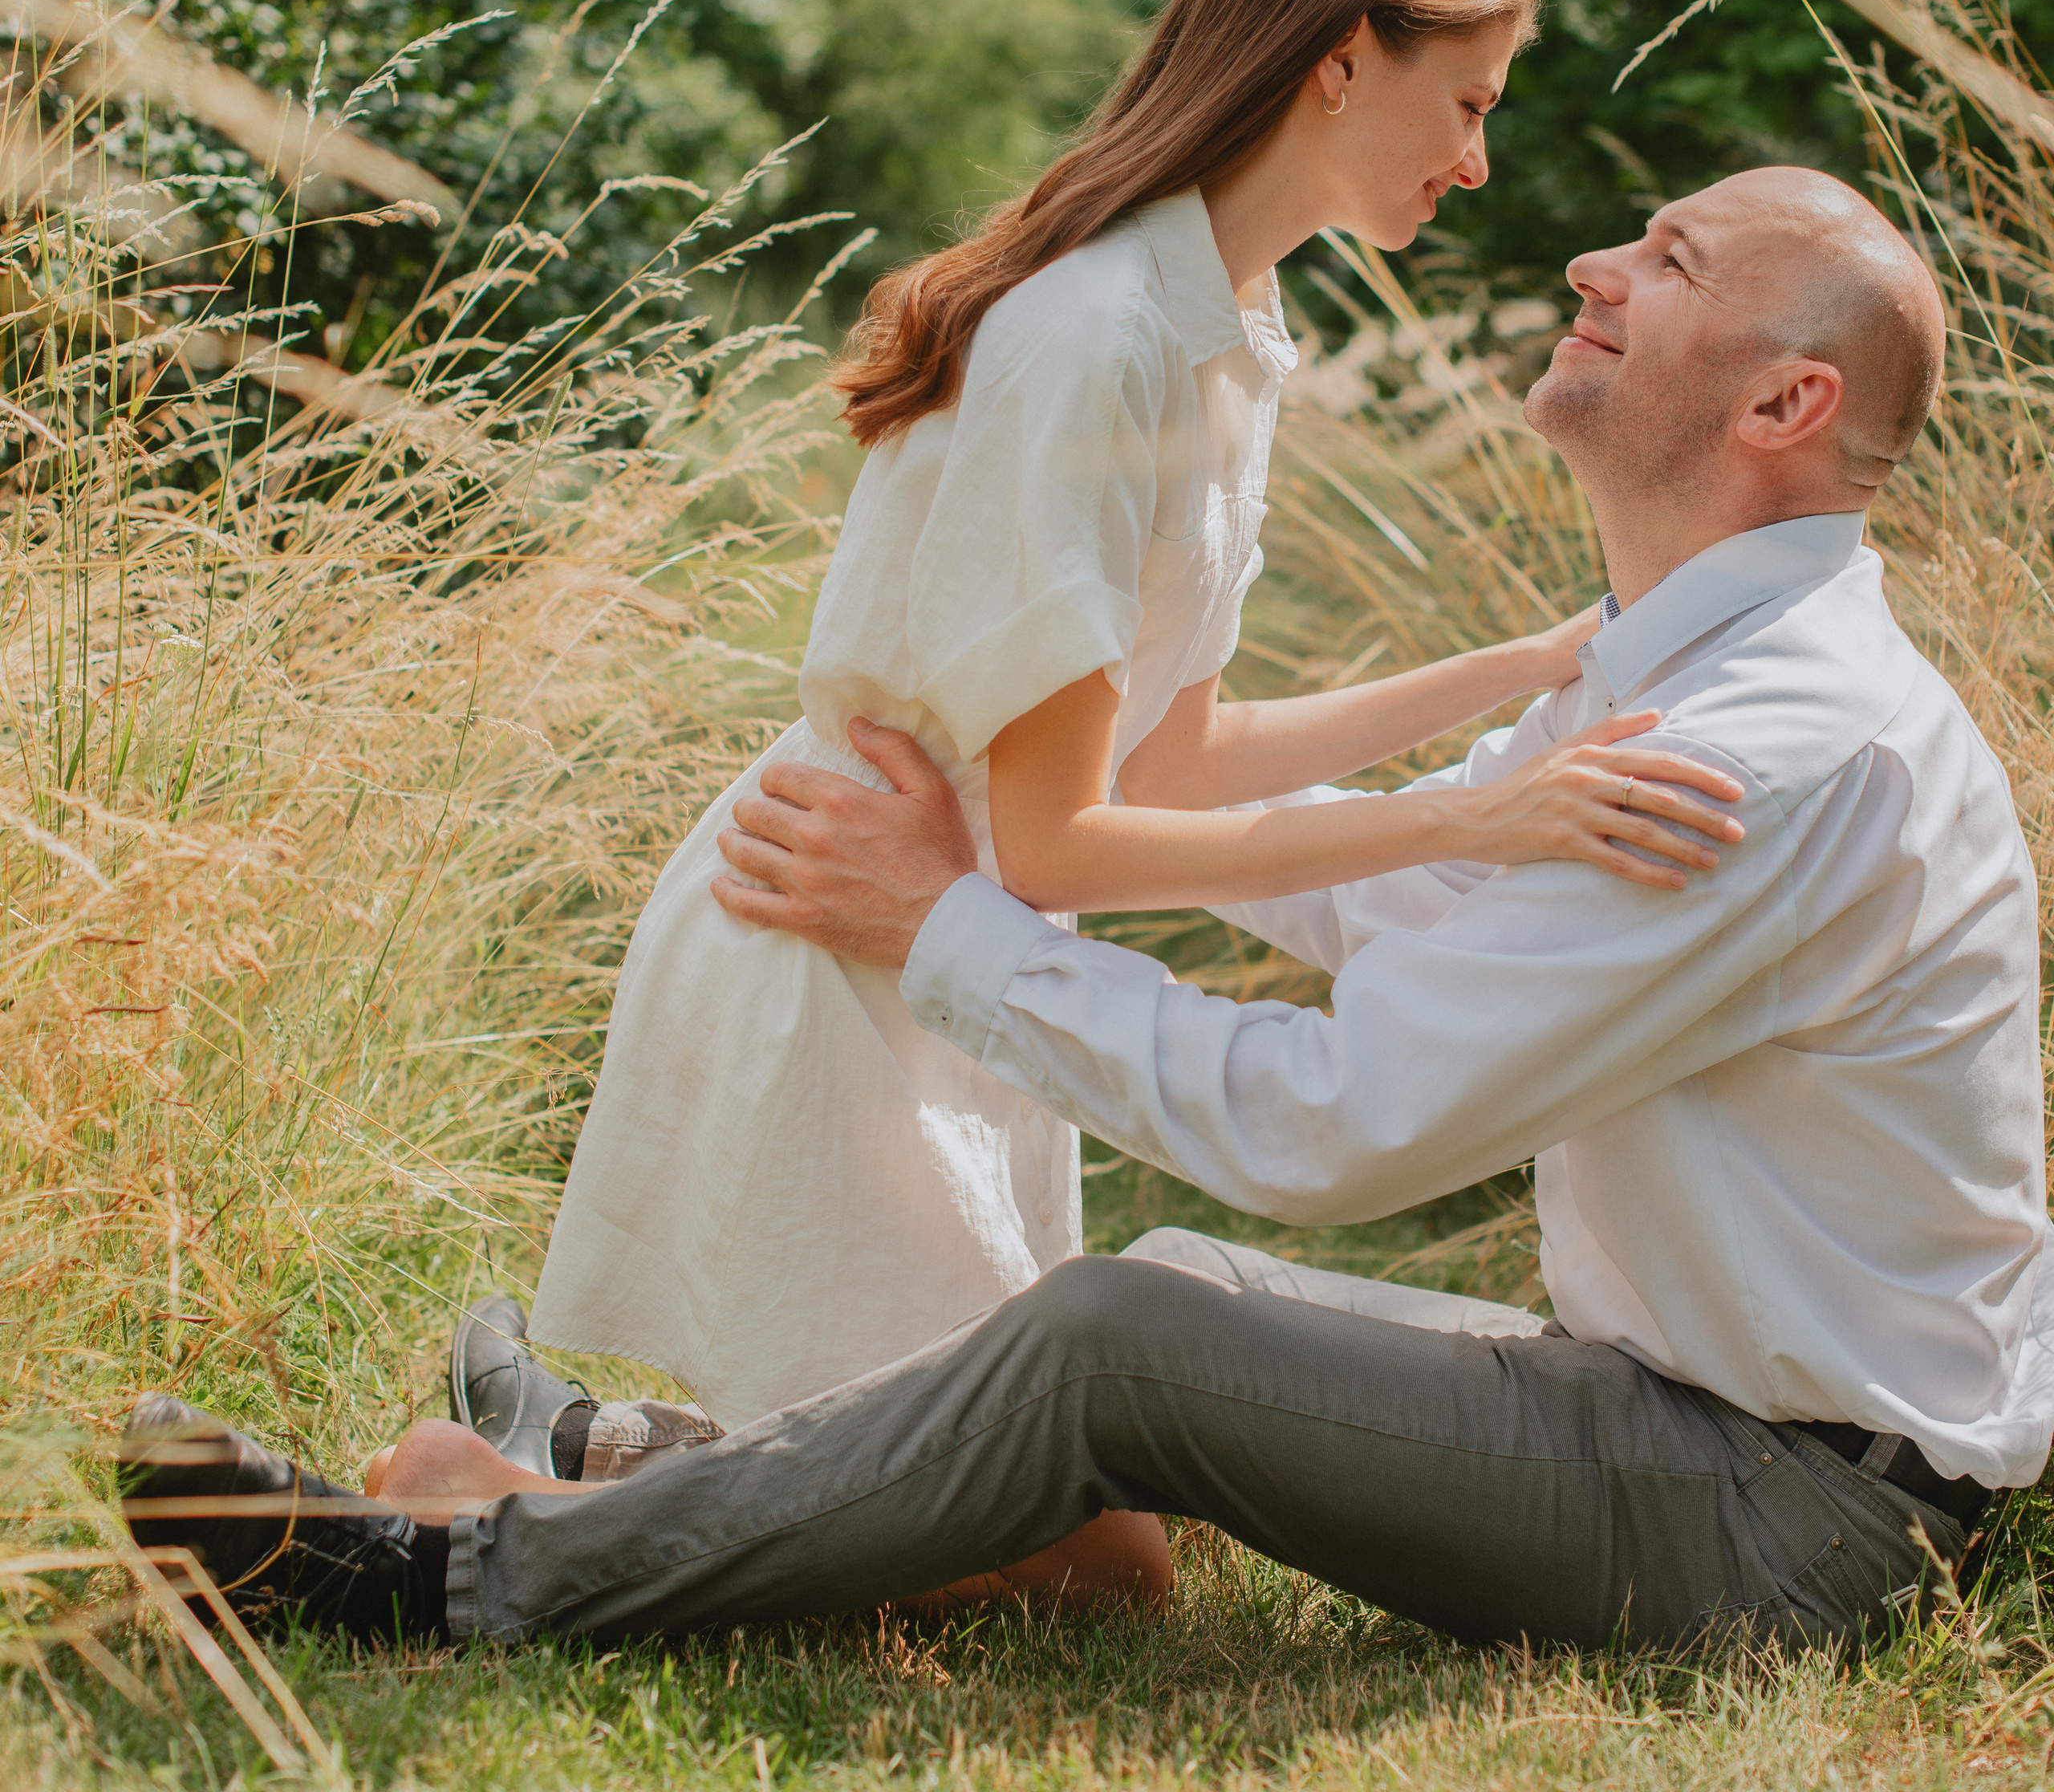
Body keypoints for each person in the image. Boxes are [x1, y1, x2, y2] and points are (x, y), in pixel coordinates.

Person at [118, 165, 2048, 1658]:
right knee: (1168, 1310)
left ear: (1786, 398)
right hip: (1665, 1410)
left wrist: (946, 922)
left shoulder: (1781, 749)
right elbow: (1420, 904)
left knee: (1123, 1328)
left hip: (1788, 1513)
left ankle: (443, 1581)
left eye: (1670, 264)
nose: (1592, 273)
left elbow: (1336, 1120)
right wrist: (1068, 809)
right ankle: (625, 1464)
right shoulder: (1671, 681)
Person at [522, 0, 1739, 1611]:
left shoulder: (1222, 332)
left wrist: (1525, 665)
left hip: (940, 947)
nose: (1478, 162)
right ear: (1337, 59)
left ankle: (563, 1454)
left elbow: (1165, 749)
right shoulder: (1099, 334)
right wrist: (1468, 822)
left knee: (1038, 1528)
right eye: (1460, 102)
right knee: (1086, 1568)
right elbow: (1057, 837)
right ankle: (499, 1483)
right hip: (843, 937)